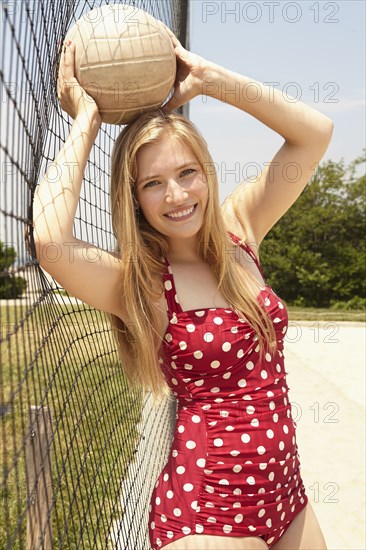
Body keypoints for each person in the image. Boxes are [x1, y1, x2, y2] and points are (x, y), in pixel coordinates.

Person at [33, 26, 333, 550]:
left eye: (187, 172)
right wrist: (87, 120)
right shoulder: (141, 284)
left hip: (287, 497)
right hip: (207, 516)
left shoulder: (242, 228)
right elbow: (52, 243)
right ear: (135, 199)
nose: (176, 195)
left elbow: (315, 133)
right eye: (153, 183)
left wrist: (211, 80)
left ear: (208, 173)